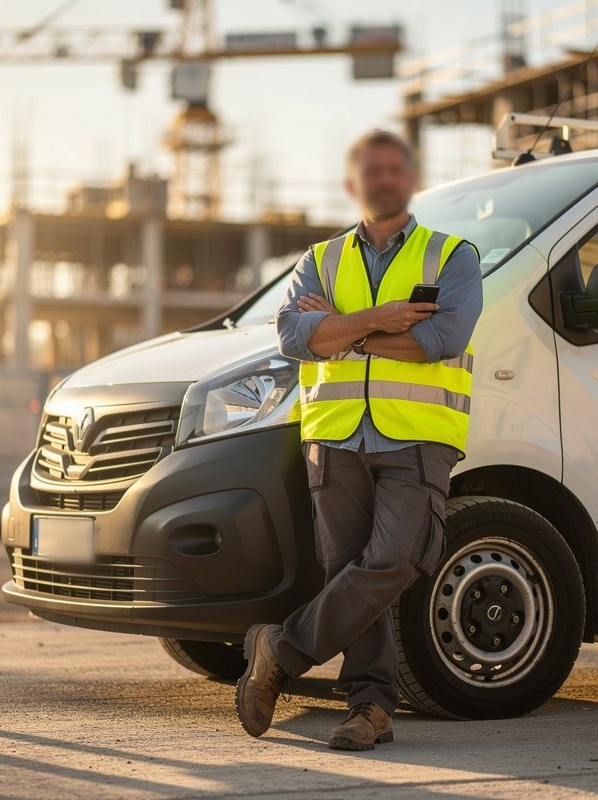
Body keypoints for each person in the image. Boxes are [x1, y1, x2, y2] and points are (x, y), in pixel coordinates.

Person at [235, 129, 483, 750]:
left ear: (410, 178)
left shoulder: (451, 257)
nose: (383, 179)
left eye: (394, 169)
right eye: (372, 171)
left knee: (395, 560)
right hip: (335, 437)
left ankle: (279, 651)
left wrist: (341, 332)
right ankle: (370, 708)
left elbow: (441, 340)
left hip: (418, 436)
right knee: (347, 571)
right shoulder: (318, 260)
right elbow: (293, 338)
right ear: (355, 184)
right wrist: (381, 319)